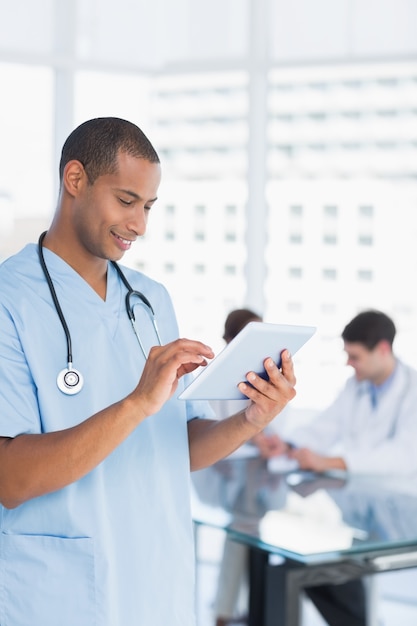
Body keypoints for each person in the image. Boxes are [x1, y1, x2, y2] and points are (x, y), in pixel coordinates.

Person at [0, 117, 296, 626]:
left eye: (149, 207)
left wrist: (251, 420)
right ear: (75, 180)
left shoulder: (150, 301)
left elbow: (177, 448)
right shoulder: (10, 300)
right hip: (60, 596)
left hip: (157, 583)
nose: (139, 224)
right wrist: (137, 402)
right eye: (126, 200)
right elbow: (11, 479)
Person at [273, 309, 417, 626]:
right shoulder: (356, 387)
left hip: (405, 513)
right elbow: (326, 426)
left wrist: (330, 462)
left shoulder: (412, 390)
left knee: (340, 581)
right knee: (317, 575)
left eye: (355, 356)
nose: (349, 364)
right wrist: (290, 445)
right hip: (361, 509)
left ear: (382, 350)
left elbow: (404, 457)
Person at [211, 308, 284, 626]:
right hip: (223, 475)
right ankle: (228, 612)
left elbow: (276, 425)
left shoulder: (267, 375)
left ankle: (235, 611)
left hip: (257, 478)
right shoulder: (214, 377)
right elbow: (210, 429)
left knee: (249, 532)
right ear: (230, 340)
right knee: (242, 528)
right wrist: (255, 439)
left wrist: (272, 442)